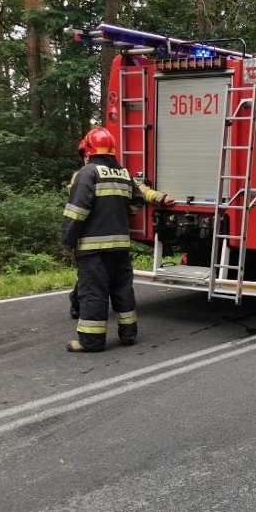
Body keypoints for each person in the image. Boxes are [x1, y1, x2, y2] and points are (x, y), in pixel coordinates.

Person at [62, 127, 175, 352]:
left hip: (93, 248)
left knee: (93, 292)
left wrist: (67, 240)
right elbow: (139, 198)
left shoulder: (87, 173)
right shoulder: (123, 173)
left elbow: (76, 213)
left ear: (88, 151)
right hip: (121, 246)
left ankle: (90, 341)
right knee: (122, 289)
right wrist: (125, 212)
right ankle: (128, 334)